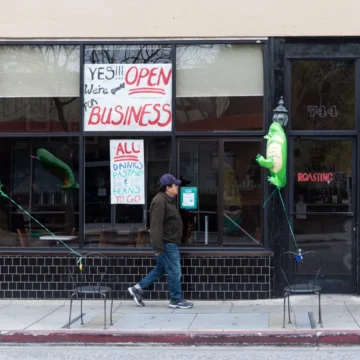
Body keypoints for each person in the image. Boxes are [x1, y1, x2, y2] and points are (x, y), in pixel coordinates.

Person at [128, 174, 194, 309]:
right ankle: (175, 300)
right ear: (167, 187)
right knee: (175, 271)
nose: (177, 187)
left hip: (168, 242)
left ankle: (137, 288)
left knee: (161, 269)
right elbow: (156, 226)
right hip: (166, 243)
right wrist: (158, 248)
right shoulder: (160, 202)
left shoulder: (166, 200)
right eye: (175, 185)